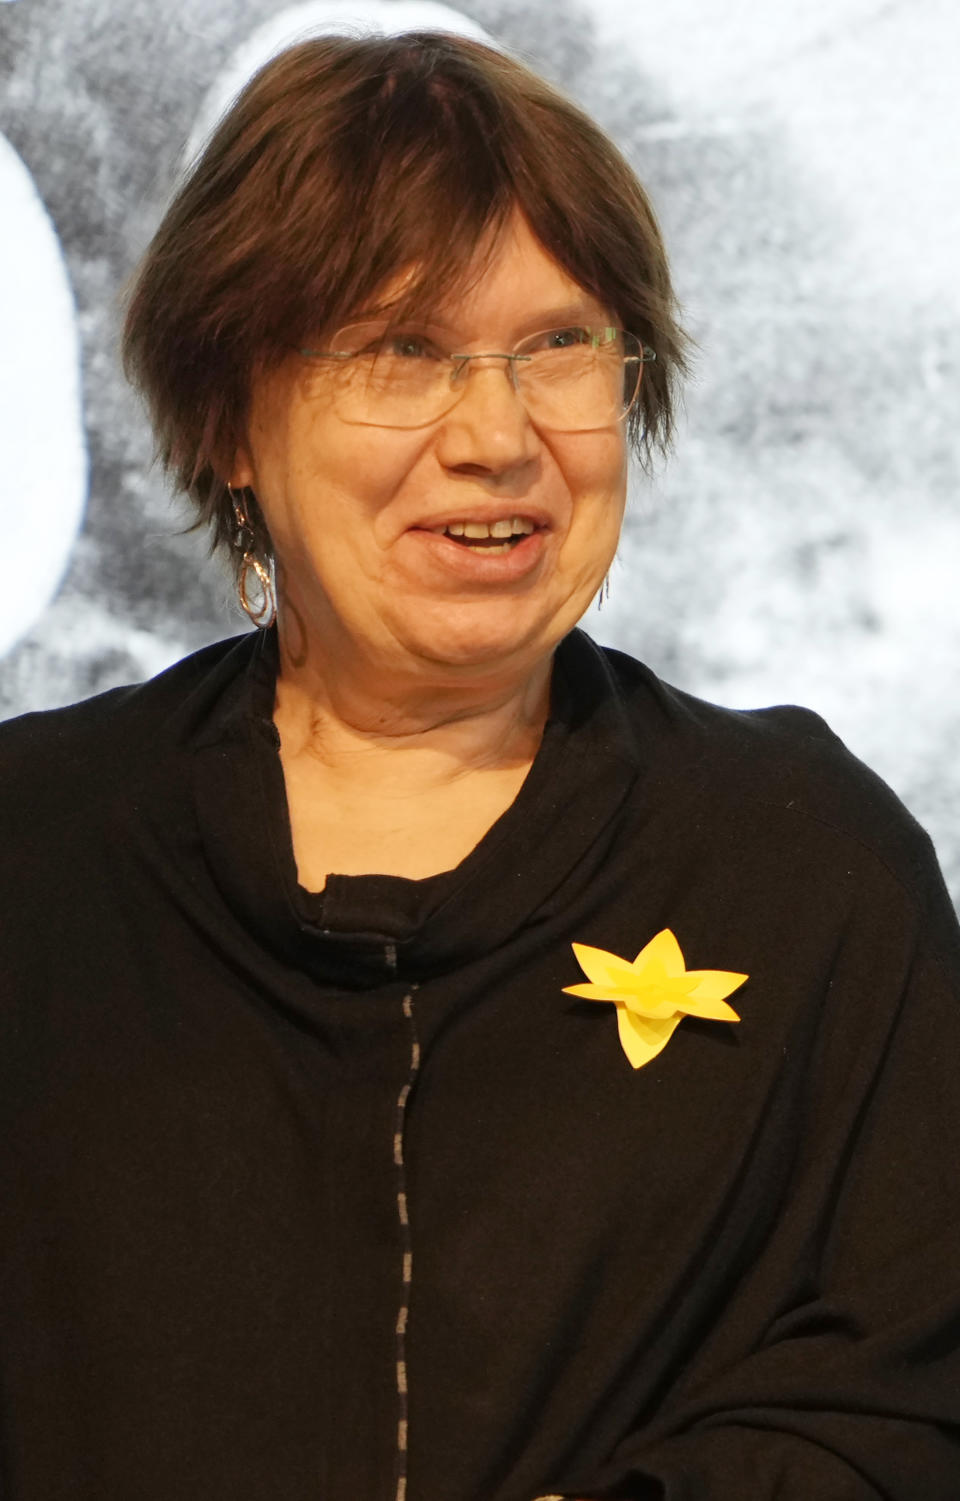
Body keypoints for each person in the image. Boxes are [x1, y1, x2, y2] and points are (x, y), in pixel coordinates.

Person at [1, 28, 958, 1501]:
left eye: (561, 343)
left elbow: (909, 1402)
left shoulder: (806, 863)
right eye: (404, 350)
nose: (500, 434)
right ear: (226, 416)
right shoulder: (35, 852)